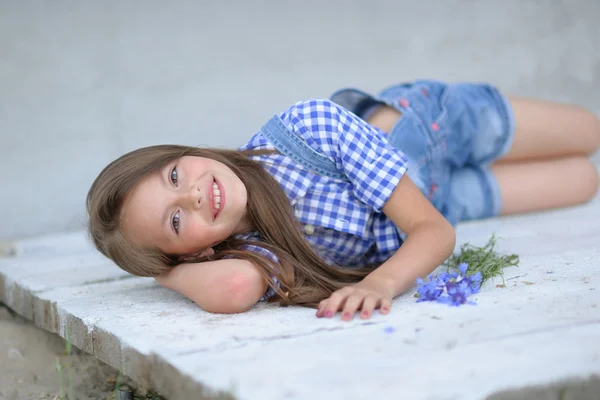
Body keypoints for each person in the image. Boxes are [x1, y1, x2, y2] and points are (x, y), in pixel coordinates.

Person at [86, 79, 600, 321]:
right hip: (442, 199)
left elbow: (433, 234)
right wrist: (165, 269)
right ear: (196, 253)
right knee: (584, 182)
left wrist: (380, 283)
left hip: (431, 128)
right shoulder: (257, 251)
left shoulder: (306, 128)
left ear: (186, 152)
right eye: (176, 220)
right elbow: (235, 287)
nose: (194, 193)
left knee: (589, 133)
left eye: (176, 174)